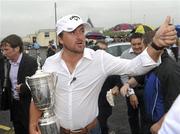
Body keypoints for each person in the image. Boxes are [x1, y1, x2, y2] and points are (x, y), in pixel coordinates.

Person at [29, 14, 177, 134]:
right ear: (60, 39)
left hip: (91, 130)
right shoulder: (50, 63)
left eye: (81, 31)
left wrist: (156, 44)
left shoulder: (98, 58)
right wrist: (32, 124)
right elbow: (39, 97)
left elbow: (135, 67)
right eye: (72, 32)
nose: (80, 36)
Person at [120, 48, 180, 134]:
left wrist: (160, 124)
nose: (143, 53)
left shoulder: (171, 69)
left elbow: (175, 104)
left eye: (145, 50)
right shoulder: (154, 63)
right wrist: (127, 84)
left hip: (160, 123)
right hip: (150, 119)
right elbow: (140, 76)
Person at [1, 34, 38, 134]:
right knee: (18, 130)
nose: (4, 53)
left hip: (28, 107)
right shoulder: (9, 63)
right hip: (15, 106)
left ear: (16, 48)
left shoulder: (31, 62)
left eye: (6, 50)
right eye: (3, 50)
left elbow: (38, 84)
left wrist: (24, 87)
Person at [120, 33, 147, 134]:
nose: (137, 47)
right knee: (133, 117)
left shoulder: (147, 53)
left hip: (146, 89)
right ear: (130, 44)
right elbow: (123, 76)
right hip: (131, 90)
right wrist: (131, 94)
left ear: (143, 42)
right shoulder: (125, 55)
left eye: (139, 43)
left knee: (146, 117)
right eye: (134, 44)